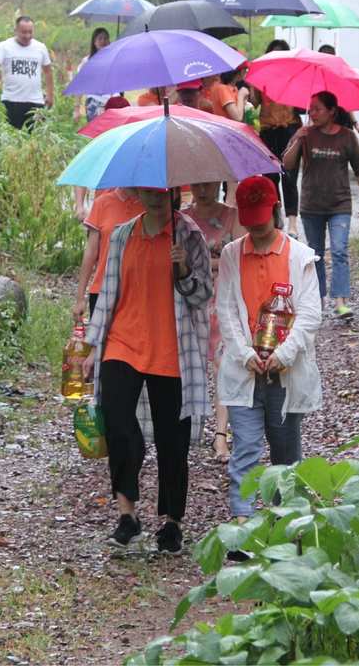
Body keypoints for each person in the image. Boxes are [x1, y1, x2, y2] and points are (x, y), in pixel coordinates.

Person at [83, 188, 213, 554]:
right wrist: (94, 347)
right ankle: (128, 515)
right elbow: (107, 292)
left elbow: (203, 295)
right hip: (123, 343)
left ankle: (172, 522)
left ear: (173, 193)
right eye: (148, 191)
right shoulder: (124, 234)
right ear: (139, 191)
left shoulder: (190, 236)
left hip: (172, 349)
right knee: (118, 424)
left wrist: (185, 269)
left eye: (161, 192)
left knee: (173, 442)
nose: (154, 198)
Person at [216, 176, 322, 524]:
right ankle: (242, 522)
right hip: (245, 370)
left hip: (285, 372)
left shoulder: (300, 256)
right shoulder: (233, 254)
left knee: (285, 453)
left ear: (276, 210)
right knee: (245, 448)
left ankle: (285, 523)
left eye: (262, 219)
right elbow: (227, 310)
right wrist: (246, 354)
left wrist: (284, 355)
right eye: (250, 221)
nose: (257, 229)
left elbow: (309, 314)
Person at [282, 91, 359, 319]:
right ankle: (318, 299)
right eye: (310, 109)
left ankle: (341, 301)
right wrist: (298, 139)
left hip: (339, 204)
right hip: (311, 205)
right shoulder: (305, 135)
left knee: (340, 251)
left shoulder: (347, 137)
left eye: (317, 109)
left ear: (332, 111)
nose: (312, 113)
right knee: (317, 254)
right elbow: (287, 163)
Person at [182, 182, 245, 462]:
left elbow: (242, 258)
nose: (203, 189)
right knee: (187, 364)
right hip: (191, 297)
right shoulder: (182, 217)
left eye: (208, 183)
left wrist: (202, 263)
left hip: (223, 297)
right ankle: (185, 429)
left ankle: (220, 435)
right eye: (197, 184)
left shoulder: (232, 216)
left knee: (223, 365)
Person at [74, 188, 144, 321]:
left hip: (138, 294)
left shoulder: (150, 206)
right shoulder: (102, 203)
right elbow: (91, 252)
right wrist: (80, 297)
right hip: (102, 290)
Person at [255, 40, 301, 235]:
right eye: (273, 54)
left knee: (289, 177)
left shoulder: (294, 77)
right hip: (268, 131)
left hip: (289, 128)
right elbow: (256, 101)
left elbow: (300, 101)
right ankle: (275, 214)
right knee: (270, 178)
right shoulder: (260, 77)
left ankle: (292, 222)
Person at [0, 15, 54, 129]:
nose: (27, 36)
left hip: (35, 102)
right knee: (12, 135)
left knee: (35, 139)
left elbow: (48, 71)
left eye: (30, 32)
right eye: (23, 32)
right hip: (11, 101)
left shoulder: (40, 47)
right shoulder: (5, 46)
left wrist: (50, 95)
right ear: (16, 31)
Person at [315, 45, 359, 135]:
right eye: (324, 56)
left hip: (341, 121)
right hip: (323, 124)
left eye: (330, 56)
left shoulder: (341, 76)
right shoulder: (315, 77)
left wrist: (355, 124)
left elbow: (347, 103)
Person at [74, 28, 113, 123]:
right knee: (98, 133)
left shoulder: (113, 60)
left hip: (111, 102)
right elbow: (80, 85)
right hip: (94, 102)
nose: (103, 41)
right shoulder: (87, 61)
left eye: (105, 38)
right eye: (100, 38)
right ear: (94, 42)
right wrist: (76, 109)